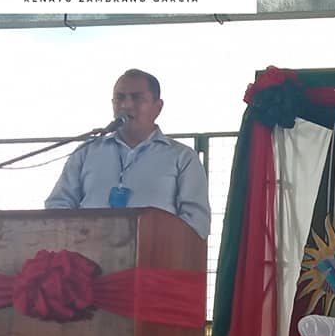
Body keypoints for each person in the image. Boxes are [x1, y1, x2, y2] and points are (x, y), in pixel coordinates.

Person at [45, 69, 211, 239]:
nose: (126, 105)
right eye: (120, 98)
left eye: (137, 98)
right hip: (88, 250)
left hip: (154, 252)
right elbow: (58, 205)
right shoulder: (86, 152)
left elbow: (196, 223)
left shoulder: (182, 157)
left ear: (158, 107)